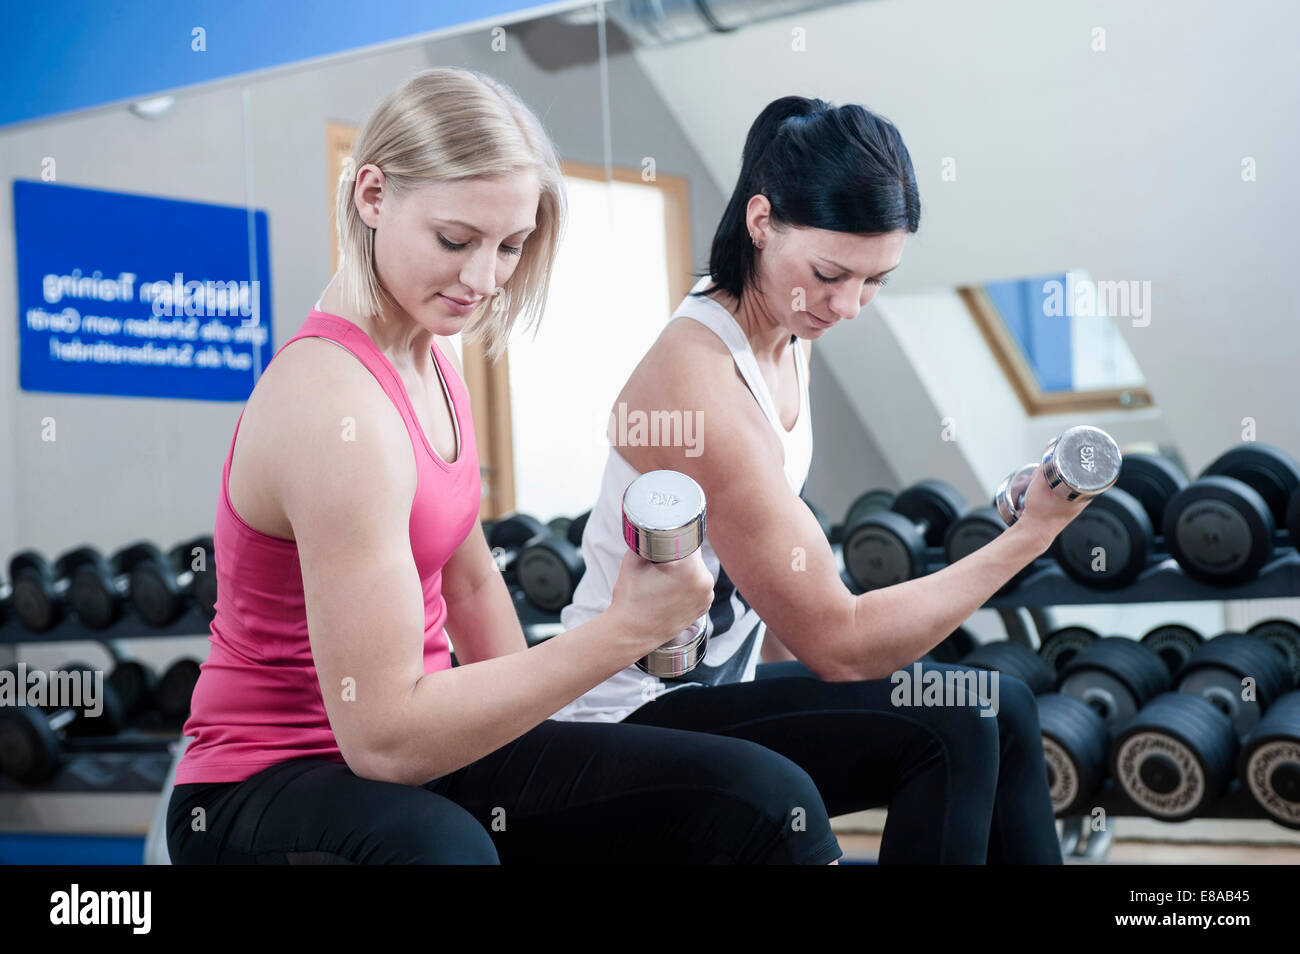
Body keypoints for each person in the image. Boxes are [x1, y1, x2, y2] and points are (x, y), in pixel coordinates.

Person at [165, 68, 841, 865]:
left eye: (510, 247)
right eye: (456, 241)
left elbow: (472, 583)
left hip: (418, 754)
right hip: (267, 784)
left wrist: (557, 758)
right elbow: (383, 741)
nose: (484, 280)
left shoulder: (430, 355)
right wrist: (626, 630)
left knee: (764, 798)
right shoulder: (331, 405)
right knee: (449, 853)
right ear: (373, 196)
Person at [552, 95, 1090, 864]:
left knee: (993, 705)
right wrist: (1031, 535)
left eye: (876, 282)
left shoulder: (788, 330)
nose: (848, 307)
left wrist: (817, 698)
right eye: (831, 275)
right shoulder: (698, 382)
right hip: (625, 724)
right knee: (955, 723)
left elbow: (774, 603)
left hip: (711, 698)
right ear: (762, 221)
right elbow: (842, 645)